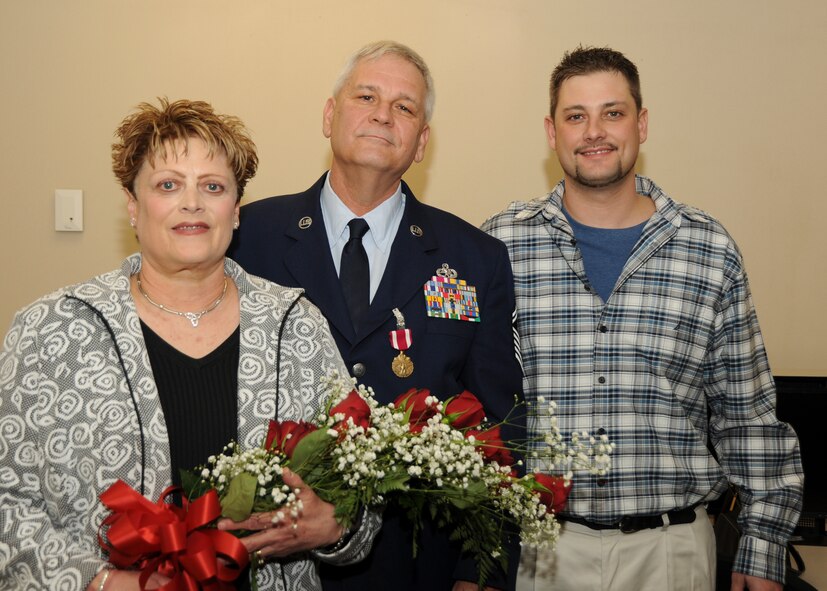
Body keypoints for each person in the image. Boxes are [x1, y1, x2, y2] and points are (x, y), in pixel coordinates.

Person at [0, 98, 379, 591]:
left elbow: (365, 492)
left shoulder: (298, 327)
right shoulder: (51, 331)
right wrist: (102, 583)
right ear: (133, 207)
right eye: (168, 185)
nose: (192, 202)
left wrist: (337, 525)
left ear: (236, 211)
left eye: (213, 187)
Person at [482, 46, 804, 591]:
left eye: (613, 112)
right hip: (537, 552)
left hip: (671, 554)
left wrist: (764, 541)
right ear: (551, 130)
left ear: (642, 123)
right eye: (575, 115)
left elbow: (746, 414)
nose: (595, 132)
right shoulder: (499, 244)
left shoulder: (708, 249)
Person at [228, 41, 523, 591]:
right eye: (366, 96)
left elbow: (499, 427)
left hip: (418, 566)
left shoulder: (474, 258)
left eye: (405, 107)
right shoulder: (248, 237)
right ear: (329, 115)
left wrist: (480, 572)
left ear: (422, 143)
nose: (383, 114)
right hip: (275, 561)